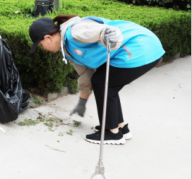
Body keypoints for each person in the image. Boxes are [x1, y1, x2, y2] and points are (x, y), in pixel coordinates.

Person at [29, 15, 165, 145]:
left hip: (141, 48)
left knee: (103, 83)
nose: (43, 49)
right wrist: (82, 102)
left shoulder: (75, 32)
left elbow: (108, 31)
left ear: (48, 38)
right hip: (139, 49)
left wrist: (112, 40)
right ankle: (120, 127)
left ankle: (112, 133)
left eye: (41, 45)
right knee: (105, 83)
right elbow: (86, 76)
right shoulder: (68, 50)